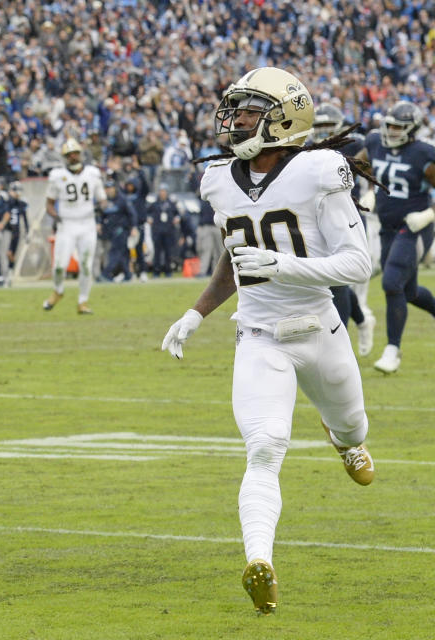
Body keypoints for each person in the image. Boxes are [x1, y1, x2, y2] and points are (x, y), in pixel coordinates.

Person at [161, 67, 375, 616]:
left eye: (249, 110)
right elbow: (237, 257)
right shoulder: (219, 179)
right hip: (259, 337)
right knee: (264, 447)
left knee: (353, 425)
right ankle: (261, 562)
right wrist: (196, 311)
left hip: (320, 329)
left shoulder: (318, 172)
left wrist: (283, 265)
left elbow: (356, 264)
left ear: (283, 118)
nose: (234, 120)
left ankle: (344, 439)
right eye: (235, 109)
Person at [354, 100, 435, 374]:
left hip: (414, 227)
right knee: (408, 292)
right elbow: (360, 163)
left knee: (391, 282)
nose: (391, 131)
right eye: (389, 125)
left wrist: (428, 214)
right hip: (388, 226)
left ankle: (392, 349)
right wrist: (371, 189)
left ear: (412, 130)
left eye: (398, 128)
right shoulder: (375, 142)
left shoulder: (424, 154)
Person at [311, 104, 376, 356]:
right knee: (333, 280)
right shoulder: (306, 147)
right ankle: (362, 322)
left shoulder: (354, 144)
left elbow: (372, 167)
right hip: (316, 218)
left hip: (347, 215)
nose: (324, 132)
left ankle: (341, 344)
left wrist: (371, 192)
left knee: (336, 280)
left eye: (328, 127)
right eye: (319, 127)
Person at [42, 138, 107, 314]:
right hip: (67, 224)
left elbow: (102, 199)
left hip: (87, 223)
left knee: (86, 265)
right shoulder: (57, 176)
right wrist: (55, 215)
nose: (73, 157)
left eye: (75, 153)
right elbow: (49, 203)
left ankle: (83, 301)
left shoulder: (92, 173)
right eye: (69, 155)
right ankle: (58, 291)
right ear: (65, 157)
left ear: (80, 154)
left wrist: (101, 207)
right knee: (59, 266)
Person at [3, 181, 29, 286]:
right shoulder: (8, 202)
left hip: (16, 232)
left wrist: (27, 232)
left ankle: (9, 274)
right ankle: (5, 275)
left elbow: (25, 219)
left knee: (11, 254)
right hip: (7, 230)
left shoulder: (21, 204)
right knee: (6, 253)